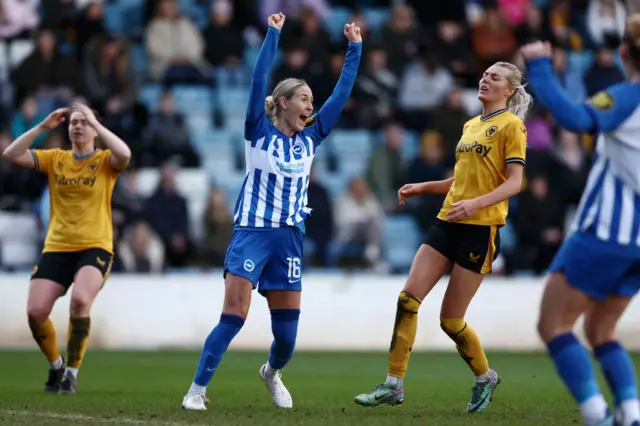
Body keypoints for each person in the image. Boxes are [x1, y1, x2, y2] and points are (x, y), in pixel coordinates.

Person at [181, 13, 362, 410]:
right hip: (252, 232)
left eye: (312, 101)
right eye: (303, 99)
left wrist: (354, 48)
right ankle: (197, 391)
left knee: (286, 340)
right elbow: (257, 78)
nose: (311, 106)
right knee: (235, 313)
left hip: (290, 239)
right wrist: (273, 34)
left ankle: (272, 372)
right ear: (284, 103)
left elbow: (342, 93)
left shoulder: (312, 137)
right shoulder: (258, 130)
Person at [354, 61, 532, 412]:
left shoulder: (512, 126)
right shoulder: (470, 125)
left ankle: (485, 377)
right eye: (483, 75)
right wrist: (425, 187)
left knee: (451, 320)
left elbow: (515, 182)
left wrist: (475, 206)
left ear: (509, 90)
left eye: (494, 77)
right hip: (448, 221)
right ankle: (393, 384)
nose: (484, 79)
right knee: (408, 299)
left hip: (480, 230)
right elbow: (462, 180)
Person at [522, 14, 640, 426]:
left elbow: (575, 119)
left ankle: (596, 415)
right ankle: (631, 413)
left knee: (553, 324)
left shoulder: (629, 97)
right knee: (601, 329)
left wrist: (539, 65)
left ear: (624, 54)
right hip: (638, 246)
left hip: (605, 234)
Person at [1, 103, 131, 395]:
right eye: (73, 122)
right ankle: (56, 364)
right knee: (35, 312)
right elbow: (11, 154)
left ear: (95, 129)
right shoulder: (56, 159)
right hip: (58, 246)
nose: (77, 126)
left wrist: (98, 126)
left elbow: (126, 154)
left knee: (80, 300)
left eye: (84, 122)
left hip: (95, 245)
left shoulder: (105, 162)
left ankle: (71, 372)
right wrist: (42, 128)